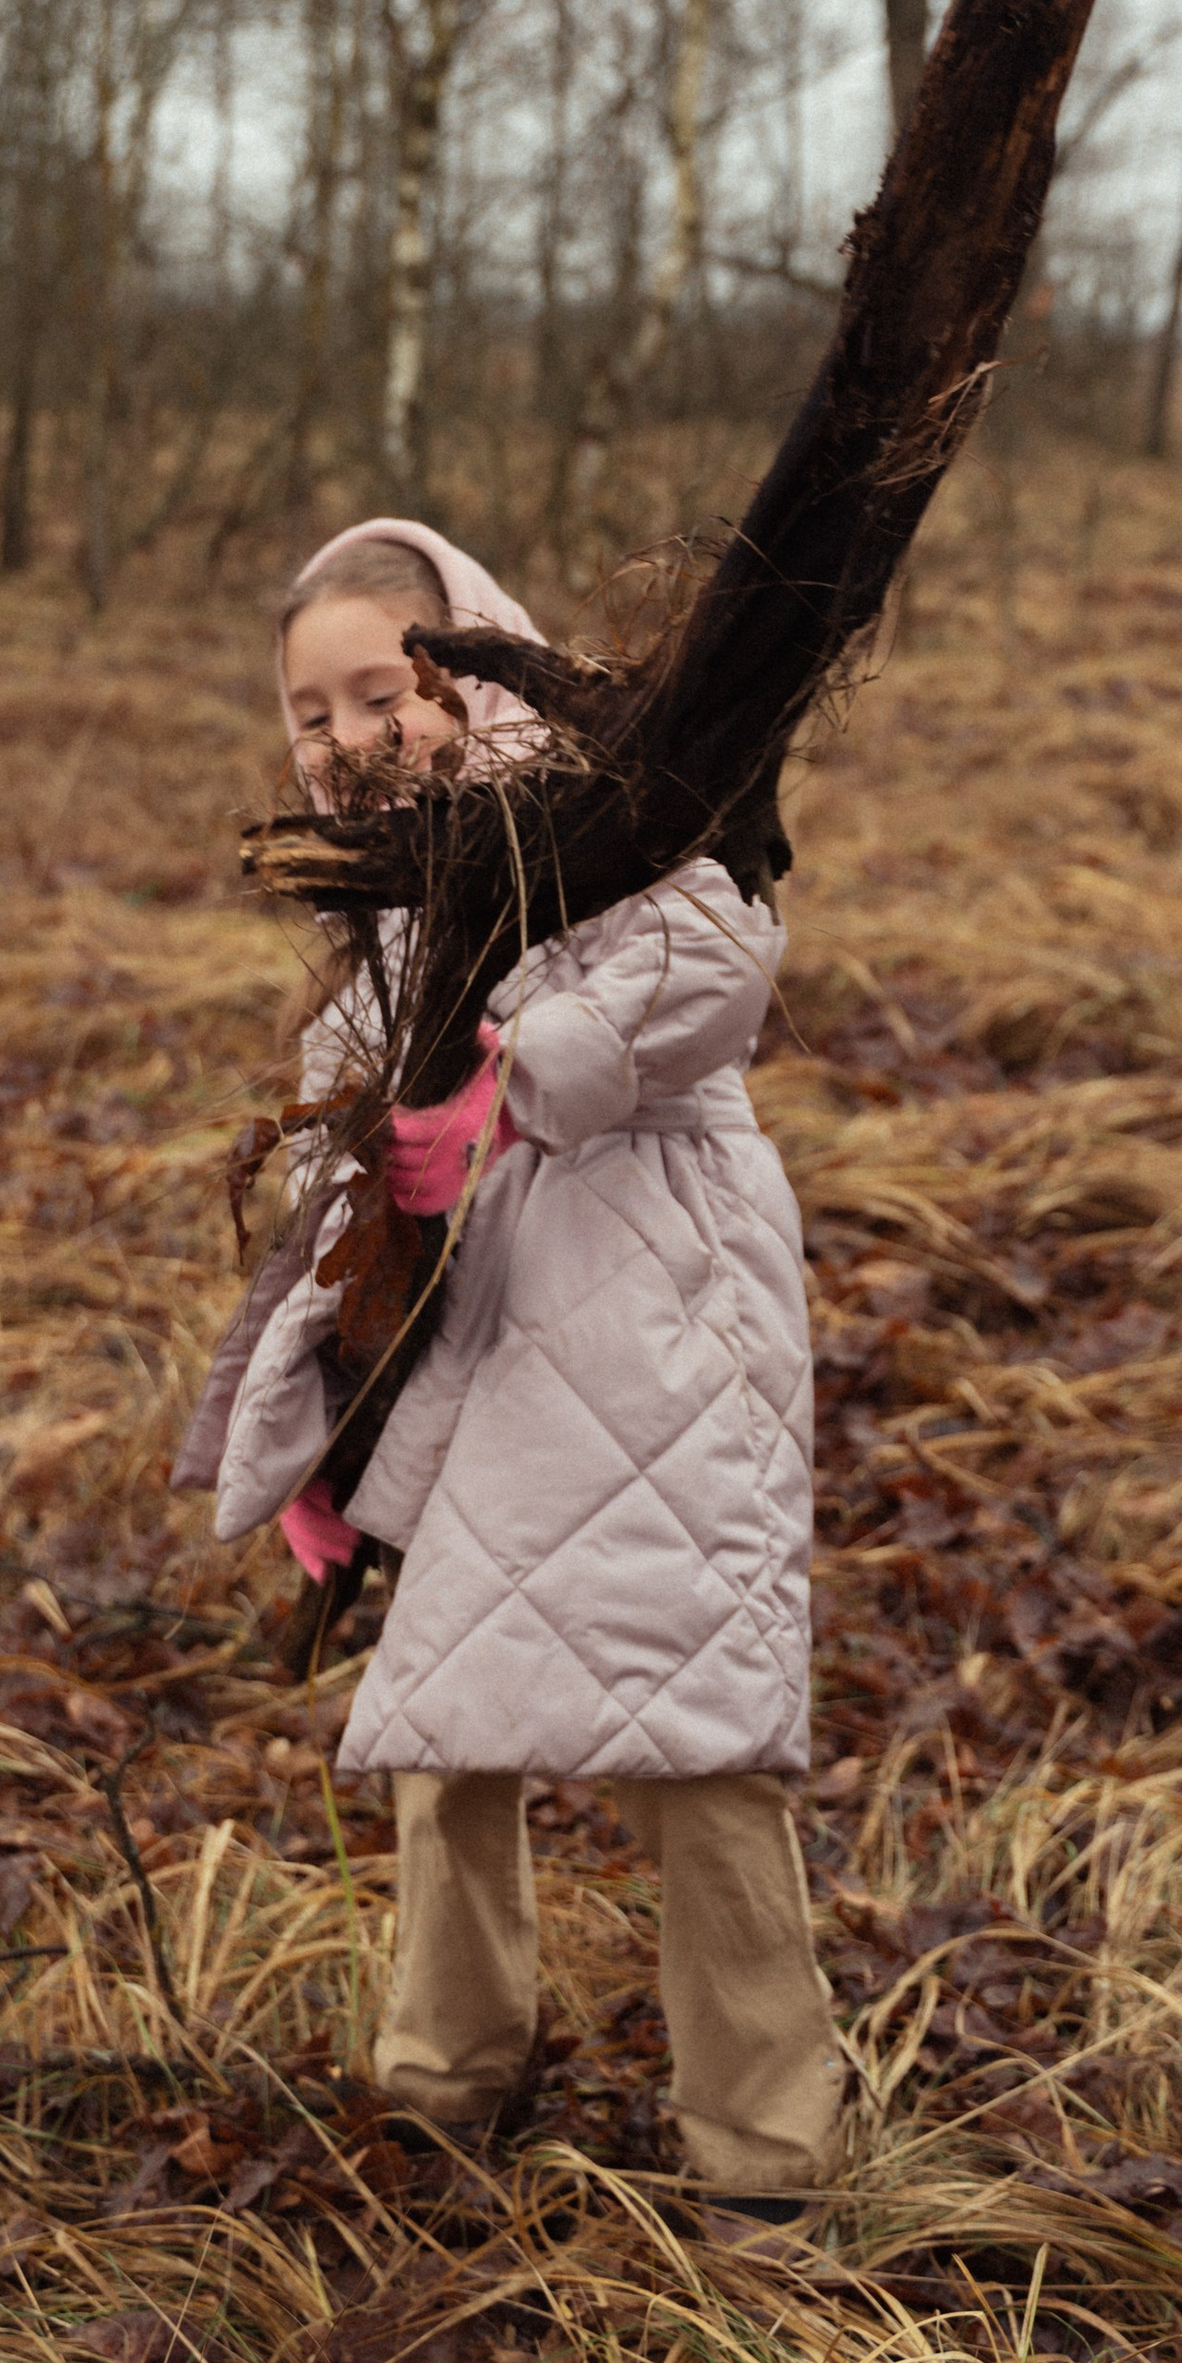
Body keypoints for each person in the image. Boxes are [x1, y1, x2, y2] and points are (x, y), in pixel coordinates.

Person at [171, 516, 845, 2223]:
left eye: (379, 693)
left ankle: (768, 2136)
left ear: (467, 668)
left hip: (655, 1312)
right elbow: (354, 1129)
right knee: (445, 1717)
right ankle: (446, 2066)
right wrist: (320, 1420)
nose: (342, 741)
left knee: (698, 1722)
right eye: (306, 714)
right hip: (475, 1342)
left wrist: (517, 1058)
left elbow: (721, 958)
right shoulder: (385, 902)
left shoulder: (612, 815)